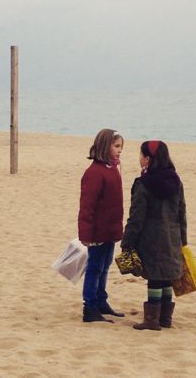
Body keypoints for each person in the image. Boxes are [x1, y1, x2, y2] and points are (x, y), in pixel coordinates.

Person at [121, 140, 187, 330]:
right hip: (172, 236)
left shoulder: (143, 184)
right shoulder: (175, 181)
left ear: (148, 159)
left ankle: (151, 320)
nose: (140, 159)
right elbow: (182, 212)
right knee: (166, 277)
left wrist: (128, 241)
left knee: (154, 279)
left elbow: (136, 217)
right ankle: (165, 318)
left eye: (141, 155)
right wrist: (183, 239)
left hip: (151, 238)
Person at [78, 128, 125, 323]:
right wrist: (85, 234)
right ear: (105, 146)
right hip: (97, 231)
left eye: (121, 147)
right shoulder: (94, 172)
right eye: (116, 146)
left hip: (110, 229)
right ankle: (89, 307)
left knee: (105, 266)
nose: (119, 150)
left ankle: (100, 300)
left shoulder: (112, 168)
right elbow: (86, 206)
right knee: (94, 268)